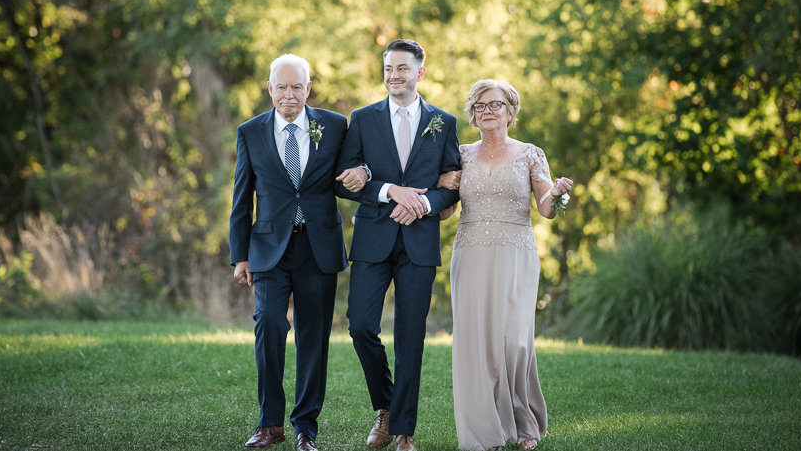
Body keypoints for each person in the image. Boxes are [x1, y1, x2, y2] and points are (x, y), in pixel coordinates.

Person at [229, 54, 369, 451]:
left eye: (297, 87)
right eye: (281, 87)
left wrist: (367, 175)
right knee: (269, 324)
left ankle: (305, 428)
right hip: (269, 248)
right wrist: (240, 255)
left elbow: (348, 178)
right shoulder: (250, 131)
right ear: (269, 88)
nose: (288, 95)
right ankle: (269, 424)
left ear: (308, 89)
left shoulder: (336, 125)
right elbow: (241, 198)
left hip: (318, 247)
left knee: (313, 338)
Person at [335, 39, 461, 451]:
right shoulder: (363, 118)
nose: (394, 75)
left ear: (420, 73)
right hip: (373, 238)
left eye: (403, 68)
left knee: (411, 335)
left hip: (419, 243)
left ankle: (403, 430)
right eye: (389, 68)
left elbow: (453, 184)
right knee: (360, 327)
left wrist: (422, 203)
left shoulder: (443, 121)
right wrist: (392, 191)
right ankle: (385, 407)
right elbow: (349, 179)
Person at [441, 79, 573, 451]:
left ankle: (523, 420)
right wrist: (437, 186)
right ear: (472, 113)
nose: (487, 111)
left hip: (516, 253)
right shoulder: (460, 153)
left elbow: (547, 208)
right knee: (476, 343)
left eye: (495, 105)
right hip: (471, 252)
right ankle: (485, 433)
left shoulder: (531, 153)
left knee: (513, 341)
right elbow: (447, 210)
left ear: (511, 111)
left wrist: (559, 195)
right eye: (480, 106)